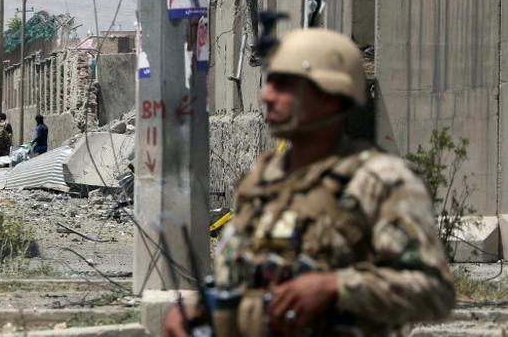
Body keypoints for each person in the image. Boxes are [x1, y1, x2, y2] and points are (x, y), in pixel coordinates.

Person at [163, 29, 454, 336]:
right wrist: (198, 308)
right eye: (269, 82)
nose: (266, 95)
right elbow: (237, 277)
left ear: (329, 97)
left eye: (284, 85)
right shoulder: (263, 182)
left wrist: (336, 287)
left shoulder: (380, 181)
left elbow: (434, 291)